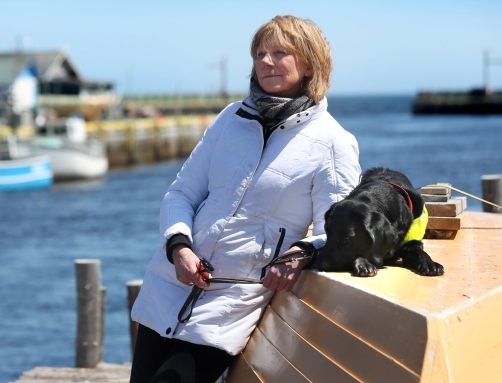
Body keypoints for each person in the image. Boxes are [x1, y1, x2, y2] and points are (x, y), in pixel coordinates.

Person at [129, 15, 361, 383]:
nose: (266, 62)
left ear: (309, 64)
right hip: (170, 285)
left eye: (280, 53)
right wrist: (179, 248)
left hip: (230, 303)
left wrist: (300, 255)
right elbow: (181, 193)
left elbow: (341, 226)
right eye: (260, 54)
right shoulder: (230, 119)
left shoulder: (332, 142)